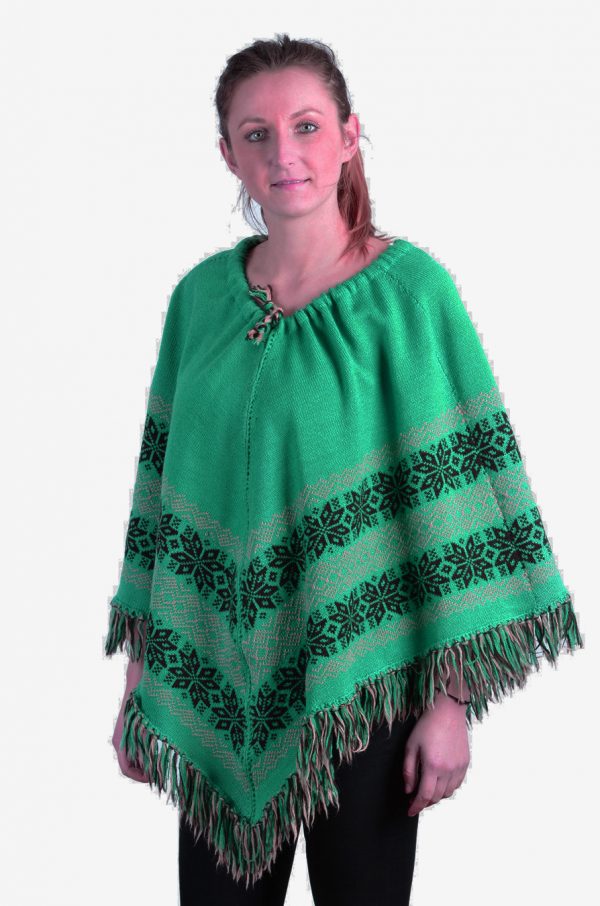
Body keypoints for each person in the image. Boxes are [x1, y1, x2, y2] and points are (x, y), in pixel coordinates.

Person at [106, 33, 583, 906]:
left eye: (307, 126)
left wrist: (451, 703)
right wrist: (144, 671)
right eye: (256, 134)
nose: (283, 154)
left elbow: (458, 500)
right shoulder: (199, 301)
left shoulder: (410, 295)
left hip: (367, 683)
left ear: (351, 135)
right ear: (227, 154)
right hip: (215, 693)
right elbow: (162, 496)